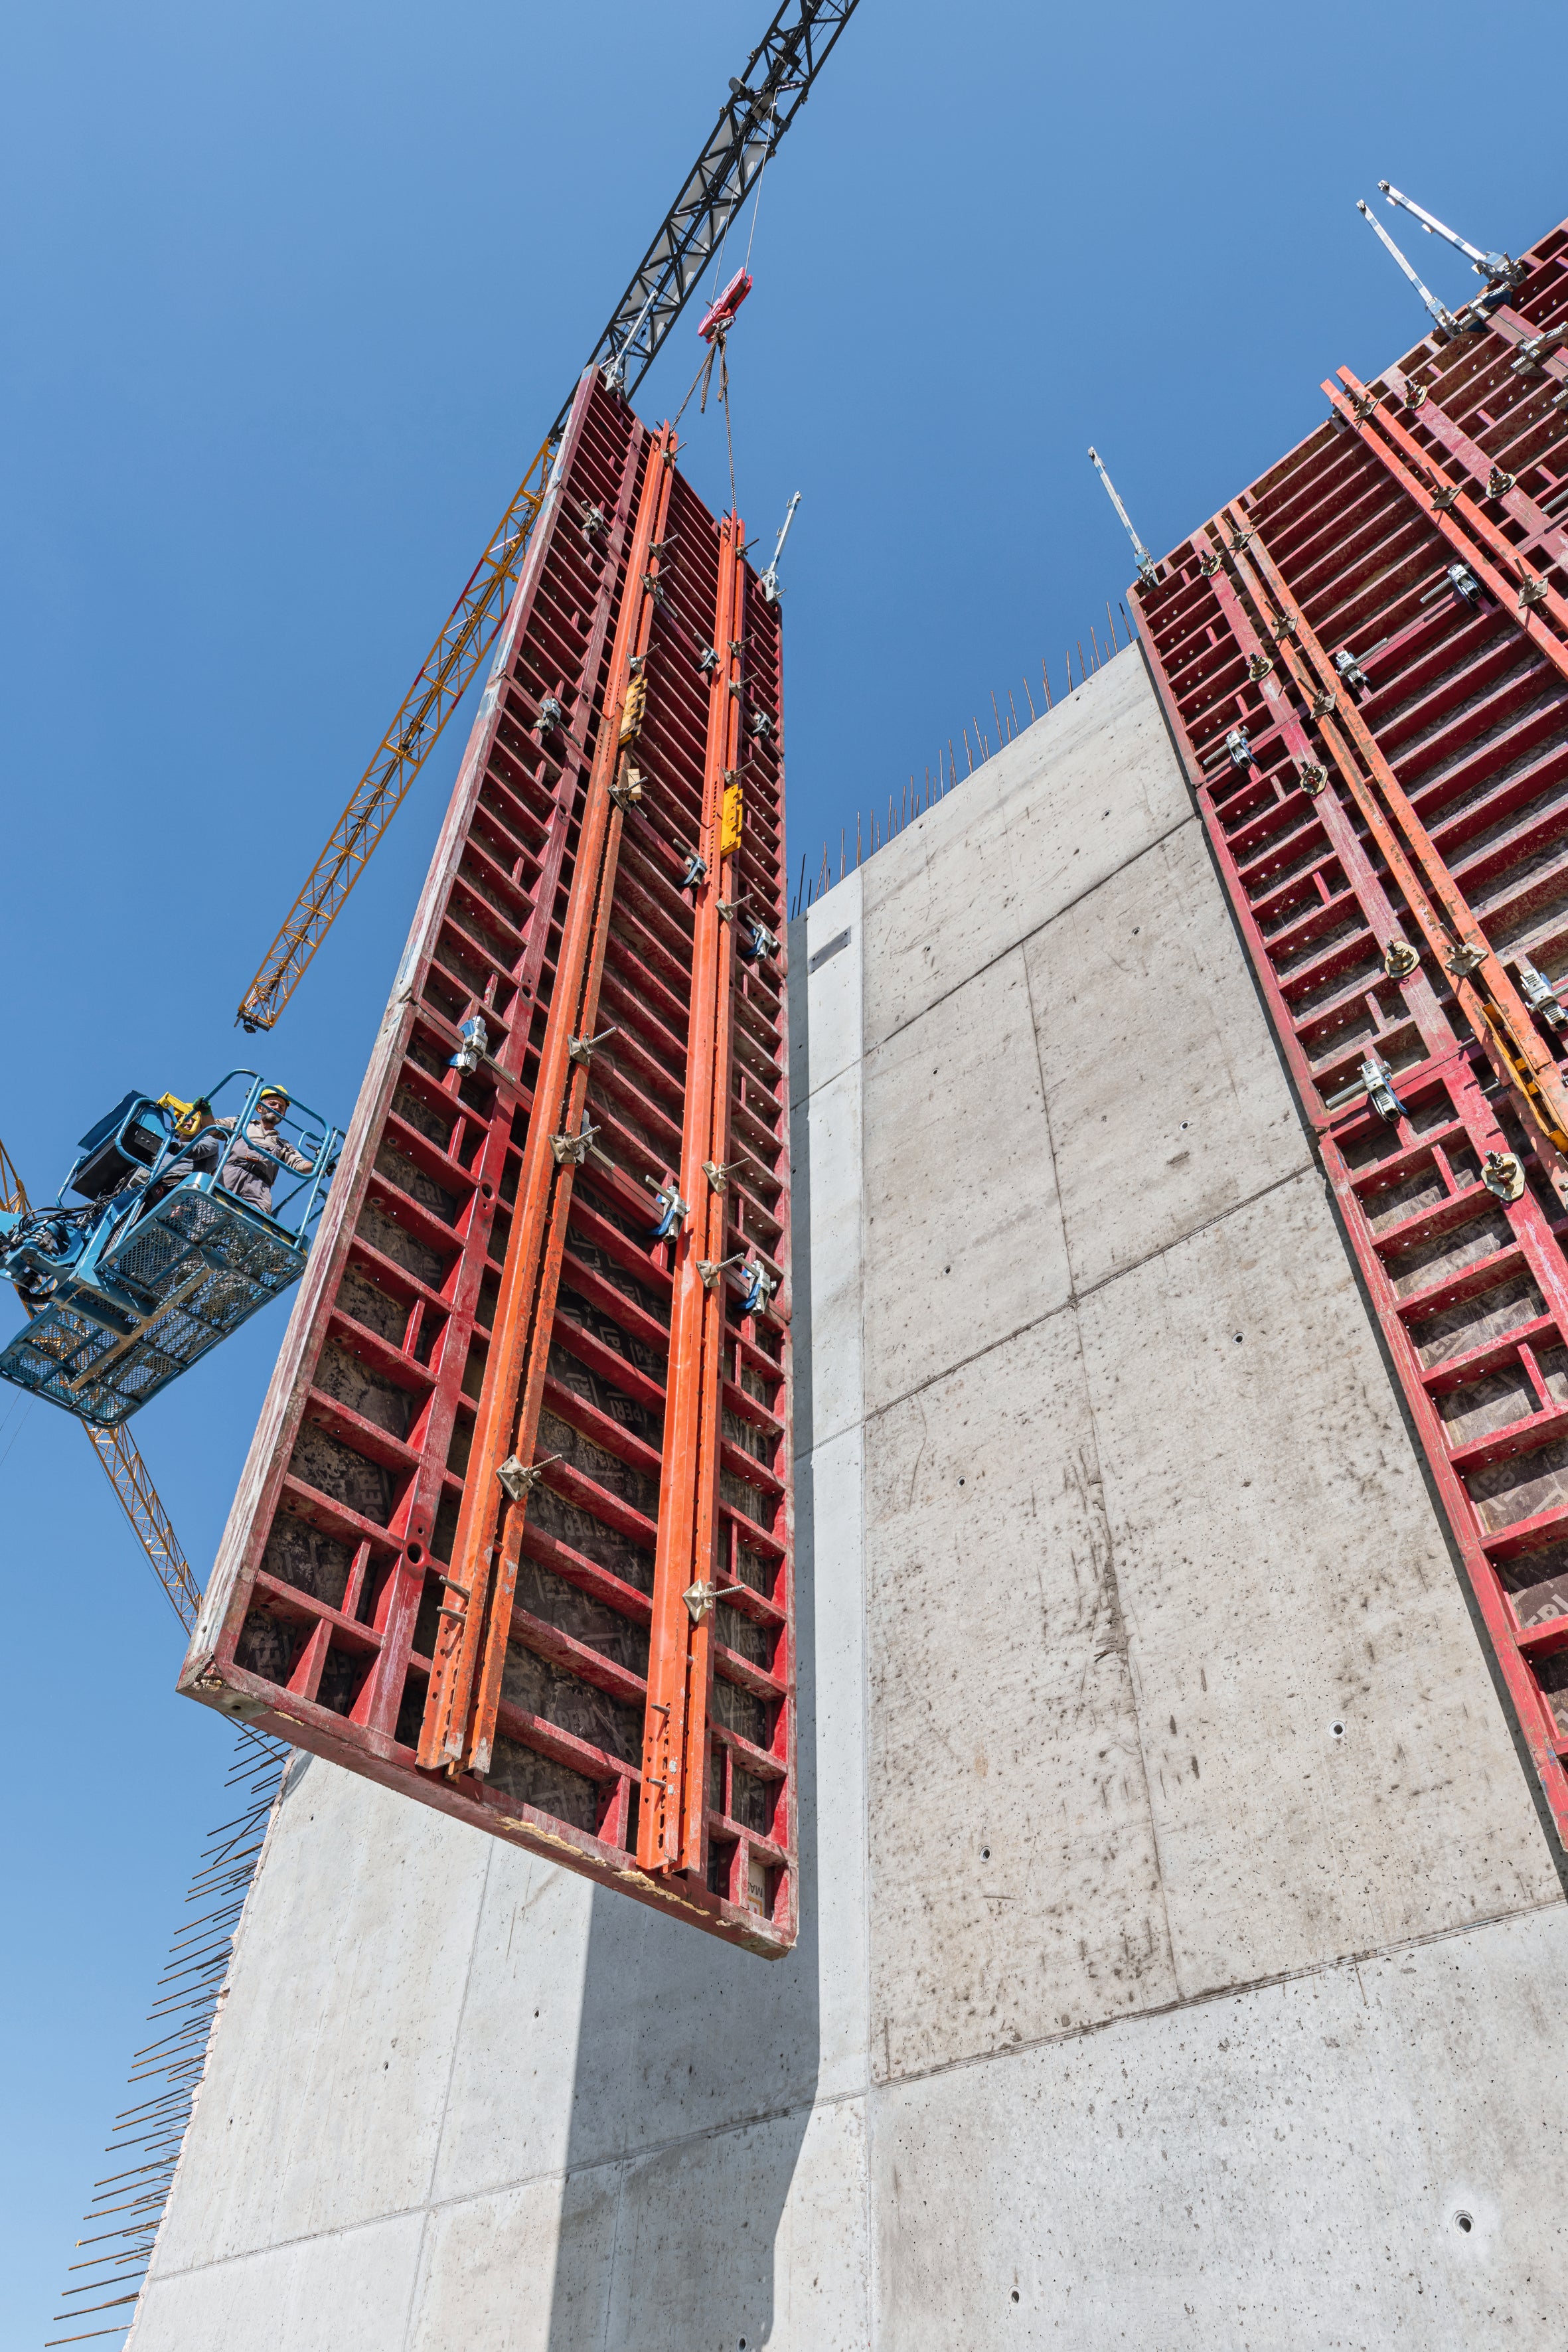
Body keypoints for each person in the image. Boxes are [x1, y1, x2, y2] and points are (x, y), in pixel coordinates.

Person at [208, 1088, 317, 1215]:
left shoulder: (282, 1145)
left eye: (281, 1107)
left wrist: (318, 1164)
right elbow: (211, 1128)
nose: (277, 1108)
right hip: (229, 1178)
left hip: (259, 1189)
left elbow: (300, 1165)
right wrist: (205, 1112)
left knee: (253, 1226)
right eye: (273, 1104)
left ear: (284, 1115)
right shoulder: (240, 1124)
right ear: (260, 1108)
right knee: (210, 1215)